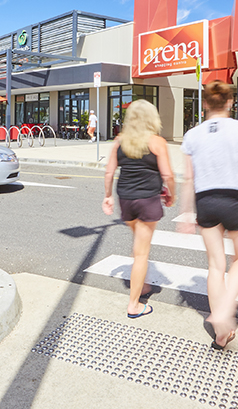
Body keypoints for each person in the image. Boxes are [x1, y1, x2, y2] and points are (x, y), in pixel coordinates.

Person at [179, 82, 238, 350]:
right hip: (232, 200)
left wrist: (186, 213)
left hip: (204, 202)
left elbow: (189, 178)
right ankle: (226, 310)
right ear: (230, 102)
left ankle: (221, 331)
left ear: (205, 104)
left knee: (215, 266)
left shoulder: (192, 135)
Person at [103, 100, 176, 318]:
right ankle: (134, 305)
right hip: (147, 200)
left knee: (138, 246)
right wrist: (171, 194)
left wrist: (107, 196)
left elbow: (109, 173)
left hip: (125, 199)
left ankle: (141, 284)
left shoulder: (119, 141)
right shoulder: (157, 142)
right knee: (142, 253)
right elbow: (168, 176)